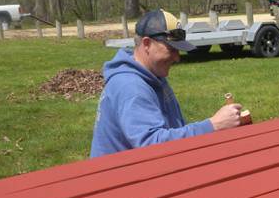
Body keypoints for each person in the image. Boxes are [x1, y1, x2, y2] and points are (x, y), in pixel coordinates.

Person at [90, 9, 242, 157]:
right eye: (172, 49)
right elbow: (152, 145)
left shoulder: (151, 74)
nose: (177, 57)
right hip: (118, 178)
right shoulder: (131, 87)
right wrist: (212, 125)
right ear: (147, 44)